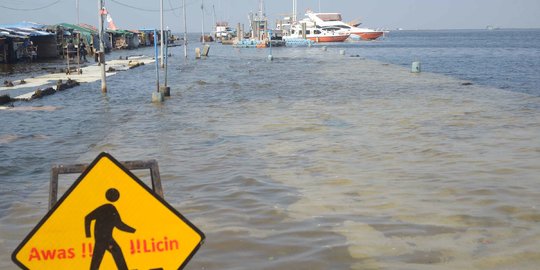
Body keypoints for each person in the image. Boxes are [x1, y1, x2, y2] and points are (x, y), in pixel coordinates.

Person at [85, 188, 135, 270]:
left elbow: (87, 218)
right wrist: (134, 231)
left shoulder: (107, 208)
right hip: (106, 240)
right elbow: (120, 225)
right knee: (116, 253)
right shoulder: (110, 209)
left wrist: (89, 235)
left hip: (101, 239)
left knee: (96, 261)